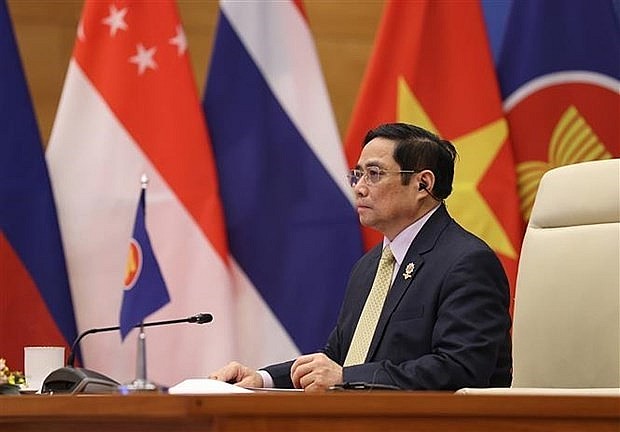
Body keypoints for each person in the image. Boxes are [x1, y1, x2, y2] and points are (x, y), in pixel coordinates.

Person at [209, 122, 512, 392]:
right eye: (357, 175)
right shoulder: (369, 266)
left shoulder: (466, 262)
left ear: (423, 184)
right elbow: (338, 359)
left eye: (374, 174)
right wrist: (262, 379)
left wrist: (344, 378)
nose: (359, 188)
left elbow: (461, 369)